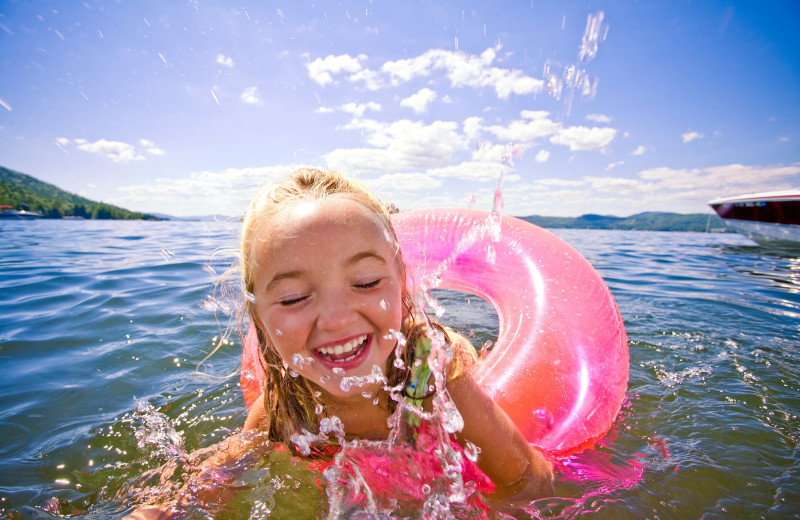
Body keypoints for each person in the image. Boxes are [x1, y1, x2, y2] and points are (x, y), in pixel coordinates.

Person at [125, 168, 553, 518]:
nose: (336, 319)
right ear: (260, 319)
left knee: (452, 347)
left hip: (431, 355)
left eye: (365, 282)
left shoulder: (434, 377)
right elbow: (224, 470)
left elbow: (530, 479)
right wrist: (160, 510)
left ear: (401, 281)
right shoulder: (285, 401)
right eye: (293, 298)